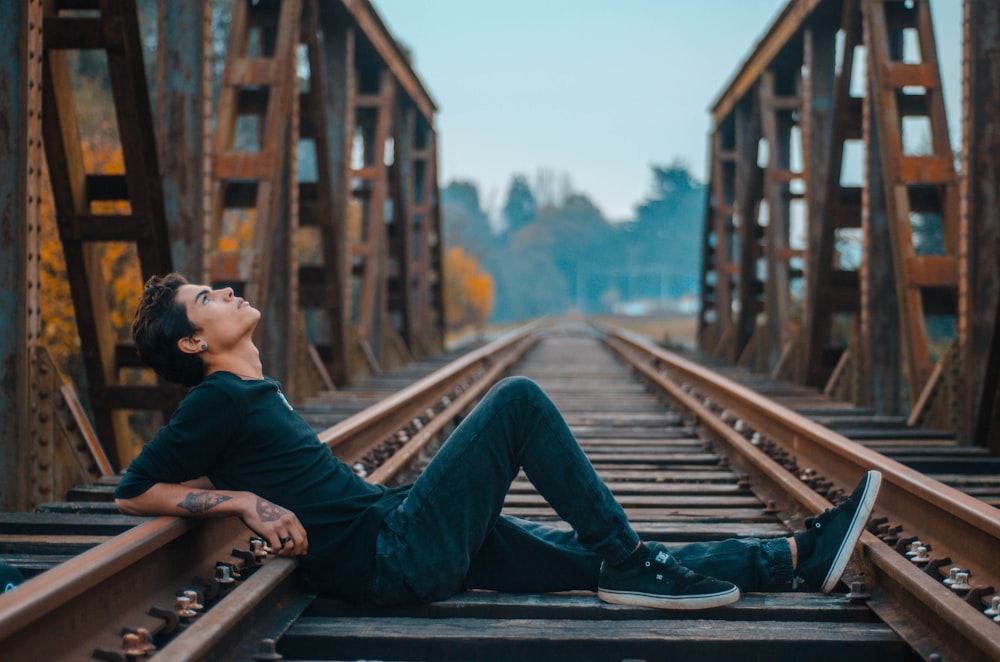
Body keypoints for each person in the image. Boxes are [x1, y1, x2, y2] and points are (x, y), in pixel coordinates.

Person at [115, 273, 883, 609]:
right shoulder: (217, 397)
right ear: (192, 344)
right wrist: (240, 499)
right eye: (206, 299)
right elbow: (133, 490)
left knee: (583, 563)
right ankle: (630, 557)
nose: (225, 292)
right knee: (516, 403)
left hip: (396, 525)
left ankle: (791, 559)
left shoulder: (248, 389)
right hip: (394, 554)